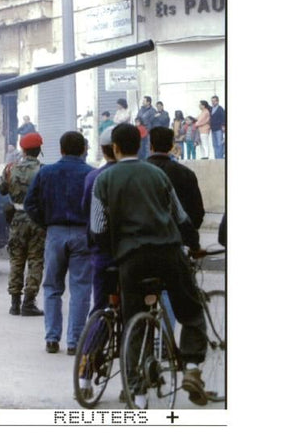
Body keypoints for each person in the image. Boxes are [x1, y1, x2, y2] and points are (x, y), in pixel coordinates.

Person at [90, 123, 207, 407]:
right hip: (168, 252)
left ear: (114, 148)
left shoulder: (103, 180)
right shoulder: (157, 174)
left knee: (133, 322)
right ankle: (191, 368)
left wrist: (112, 253)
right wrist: (193, 244)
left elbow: (97, 227)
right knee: (190, 310)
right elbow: (180, 216)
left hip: (131, 258)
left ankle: (137, 392)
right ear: (140, 147)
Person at [24, 131, 93, 355]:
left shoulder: (46, 172)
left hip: (54, 232)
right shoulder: (91, 174)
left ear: (61, 149)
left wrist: (46, 223)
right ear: (83, 149)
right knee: (80, 288)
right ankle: (74, 342)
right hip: (83, 233)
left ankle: (52, 338)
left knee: (52, 287)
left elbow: (30, 204)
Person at [0, 132, 46, 317]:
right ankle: (29, 301)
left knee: (16, 260)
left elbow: (1, 189)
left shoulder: (10, 168)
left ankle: (14, 303)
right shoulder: (43, 170)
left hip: (16, 219)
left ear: (23, 149)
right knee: (35, 260)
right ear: (39, 150)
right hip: (36, 219)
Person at [80, 125, 117, 313]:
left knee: (100, 307)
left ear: (103, 150)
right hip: (133, 250)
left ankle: (93, 342)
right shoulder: (148, 173)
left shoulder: (94, 176)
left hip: (102, 250)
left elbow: (88, 210)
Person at [147, 127, 205, 229]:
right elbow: (197, 211)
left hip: (144, 236)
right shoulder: (186, 173)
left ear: (150, 146)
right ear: (171, 146)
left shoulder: (137, 173)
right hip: (177, 236)